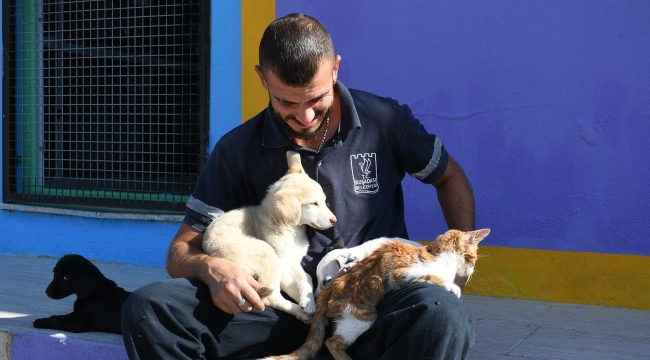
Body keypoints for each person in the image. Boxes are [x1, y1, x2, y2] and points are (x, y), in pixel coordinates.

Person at [122, 13, 476, 360]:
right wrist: (212, 269)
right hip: (279, 310)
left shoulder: (384, 121)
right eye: (287, 102)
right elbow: (180, 251)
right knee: (147, 309)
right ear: (262, 79)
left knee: (442, 314)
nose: (305, 116)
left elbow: (449, 178)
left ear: (335, 68)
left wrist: (454, 277)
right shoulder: (236, 149)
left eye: (316, 99)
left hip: (372, 299)